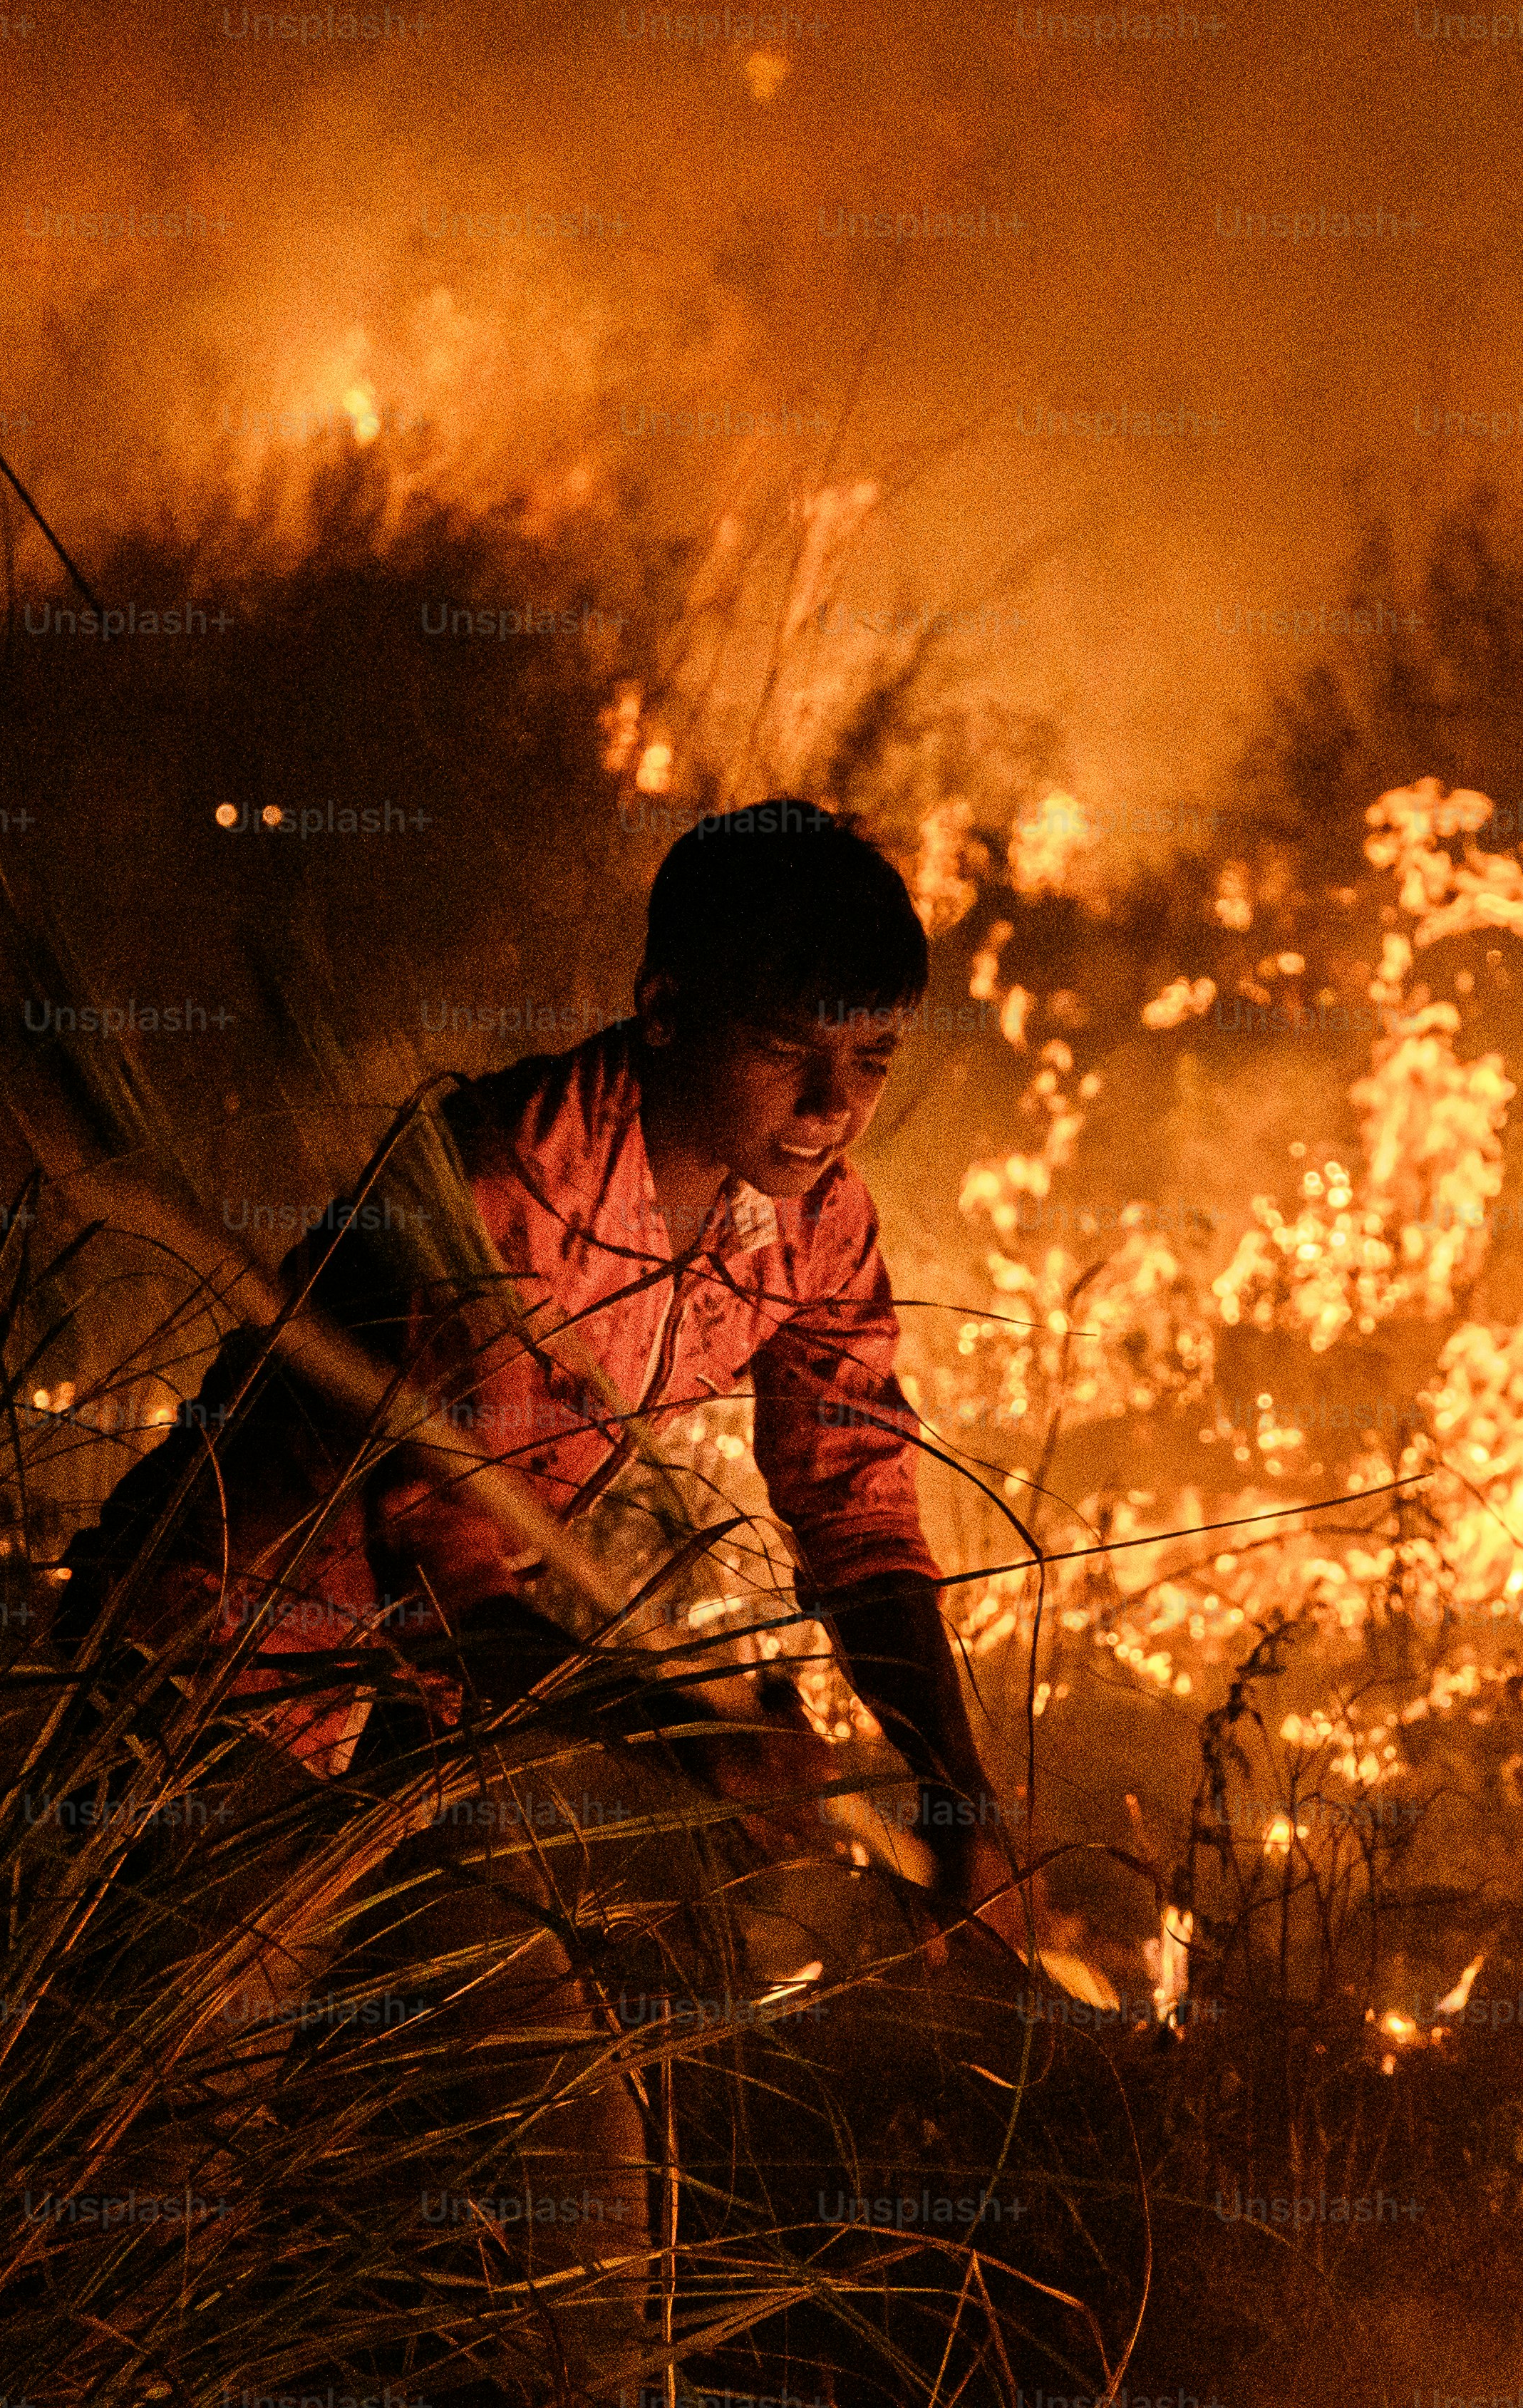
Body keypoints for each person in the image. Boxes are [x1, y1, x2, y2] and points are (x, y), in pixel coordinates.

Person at [55, 799, 1018, 2398]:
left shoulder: (814, 1219)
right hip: (215, 1691)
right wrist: (686, 1728)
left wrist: (952, 1773)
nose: (832, 1108)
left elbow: (856, 1500)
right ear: (663, 1010)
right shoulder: (498, 1184)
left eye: (874, 1063)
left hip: (414, 1738)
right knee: (157, 2213)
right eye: (790, 1048)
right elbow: (449, 1580)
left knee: (570, 2191)